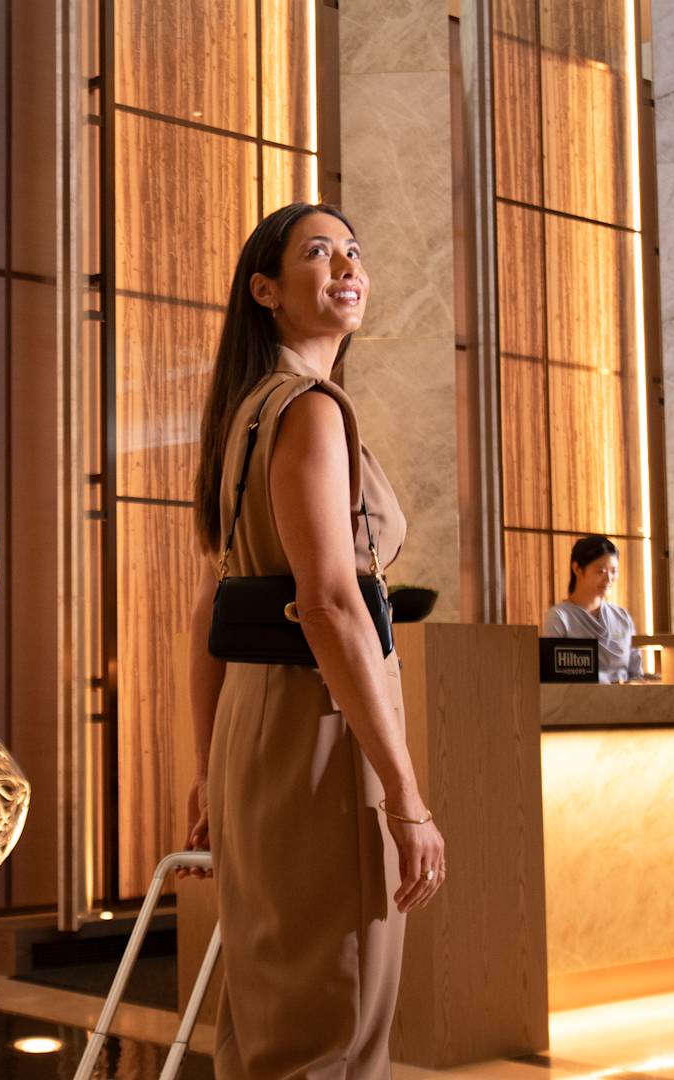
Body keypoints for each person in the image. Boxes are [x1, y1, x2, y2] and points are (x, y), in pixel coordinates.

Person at [182, 202, 445, 1080]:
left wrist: (208, 767)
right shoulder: (310, 411)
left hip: (252, 734)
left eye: (354, 253)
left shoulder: (243, 419)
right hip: (316, 729)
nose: (346, 266)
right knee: (337, 1018)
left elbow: (209, 614)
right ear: (266, 289)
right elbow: (331, 606)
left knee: (268, 1020)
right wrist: (405, 795)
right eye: (318, 253)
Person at [541, 536, 649, 684]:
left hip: (625, 702)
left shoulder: (622, 617)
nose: (609, 579)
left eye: (614, 571)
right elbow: (554, 679)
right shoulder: (559, 617)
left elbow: (636, 673)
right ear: (577, 569)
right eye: (601, 571)